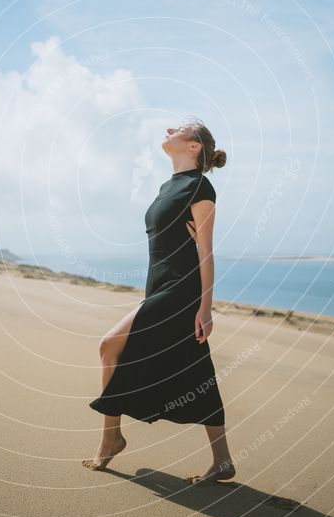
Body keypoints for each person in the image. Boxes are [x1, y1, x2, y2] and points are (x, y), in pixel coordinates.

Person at [83, 117, 236, 486]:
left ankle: (110, 437)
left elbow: (206, 252)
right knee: (196, 370)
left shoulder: (201, 188)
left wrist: (205, 307)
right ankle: (223, 460)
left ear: (194, 146)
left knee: (109, 346)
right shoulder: (171, 185)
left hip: (181, 292)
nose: (168, 129)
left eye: (178, 128)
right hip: (160, 287)